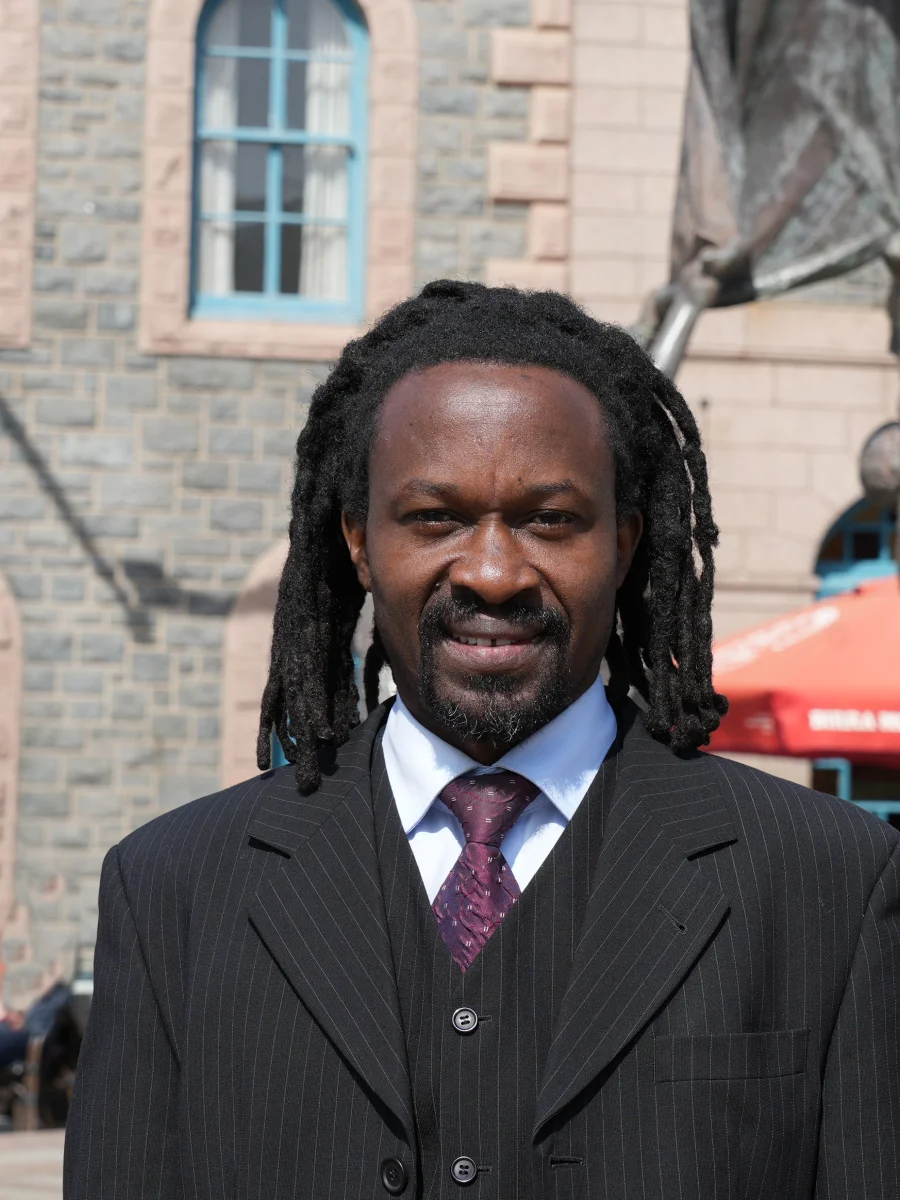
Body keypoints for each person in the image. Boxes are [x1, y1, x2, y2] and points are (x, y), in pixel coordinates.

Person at [65, 282, 899, 1199]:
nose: (495, 573)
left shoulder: (831, 882)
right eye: (435, 519)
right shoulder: (171, 889)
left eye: (550, 519)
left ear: (624, 545)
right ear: (358, 542)